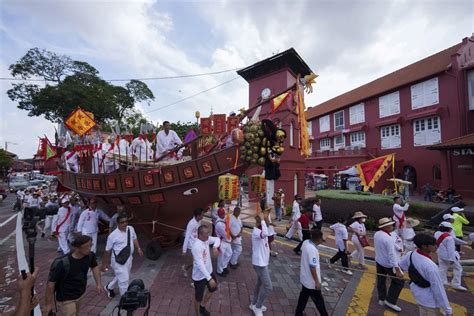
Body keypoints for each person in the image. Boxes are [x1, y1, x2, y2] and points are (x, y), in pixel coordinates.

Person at [43, 235, 103, 315]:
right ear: (77, 248)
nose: (90, 248)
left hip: (80, 294)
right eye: (87, 246)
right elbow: (51, 284)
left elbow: (94, 266)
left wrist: (98, 284)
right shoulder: (61, 263)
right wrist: (48, 305)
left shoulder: (90, 255)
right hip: (65, 299)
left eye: (90, 245)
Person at [399, 234, 452, 315]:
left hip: (417, 293)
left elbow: (401, 265)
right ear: (424, 246)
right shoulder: (430, 266)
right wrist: (448, 309)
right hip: (430, 301)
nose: (436, 246)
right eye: (433, 244)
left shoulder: (411, 254)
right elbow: (438, 289)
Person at [102, 212, 144, 297]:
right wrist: (105, 264)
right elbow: (107, 251)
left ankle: (108, 287)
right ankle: (125, 300)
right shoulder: (113, 236)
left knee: (122, 276)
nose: (125, 224)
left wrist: (138, 248)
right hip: (118, 261)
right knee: (124, 280)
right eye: (122, 222)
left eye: (126, 221)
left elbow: (134, 238)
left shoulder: (131, 229)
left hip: (128, 258)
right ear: (117, 224)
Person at [374, 217, 404, 312]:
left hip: (379, 261)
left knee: (381, 280)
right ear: (386, 227)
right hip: (388, 264)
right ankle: (390, 301)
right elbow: (391, 255)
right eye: (391, 225)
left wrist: (397, 247)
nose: (392, 226)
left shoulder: (377, 234)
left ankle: (381, 299)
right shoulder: (387, 238)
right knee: (399, 282)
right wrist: (398, 269)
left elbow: (388, 245)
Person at [295, 229, 328, 316]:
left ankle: (298, 312)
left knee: (304, 296)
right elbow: (312, 267)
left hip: (305, 277)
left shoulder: (306, 242)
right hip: (311, 281)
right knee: (319, 300)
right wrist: (317, 281)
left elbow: (303, 251)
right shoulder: (313, 250)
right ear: (319, 240)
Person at [191, 225, 220, 316]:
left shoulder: (206, 239)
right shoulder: (196, 246)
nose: (208, 235)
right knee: (198, 298)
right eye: (206, 233)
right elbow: (200, 264)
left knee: (212, 289)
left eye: (208, 233)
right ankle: (198, 314)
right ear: (200, 235)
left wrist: (215, 247)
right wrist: (209, 278)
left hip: (209, 272)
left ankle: (202, 307)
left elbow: (217, 239)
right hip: (199, 277)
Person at [250, 213, 272, 316]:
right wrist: (263, 220)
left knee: (259, 284)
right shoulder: (256, 232)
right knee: (268, 287)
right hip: (259, 263)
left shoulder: (262, 229)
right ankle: (257, 307)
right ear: (261, 222)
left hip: (263, 262)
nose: (268, 221)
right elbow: (265, 234)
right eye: (267, 219)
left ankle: (253, 303)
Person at [434, 222, 467, 291]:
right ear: (449, 229)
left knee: (442, 268)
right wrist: (452, 259)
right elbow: (451, 250)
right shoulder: (449, 238)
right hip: (449, 256)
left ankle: (443, 282)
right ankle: (456, 284)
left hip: (440, 254)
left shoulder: (437, 233)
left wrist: (465, 243)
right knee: (458, 269)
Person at [182, 207, 205, 276]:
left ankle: (185, 268)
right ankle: (195, 279)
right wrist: (184, 250)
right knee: (197, 263)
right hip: (191, 246)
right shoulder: (191, 224)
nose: (203, 216)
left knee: (197, 262)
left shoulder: (199, 221)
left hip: (198, 244)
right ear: (198, 216)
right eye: (202, 215)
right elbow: (187, 236)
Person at [215, 208, 232, 276]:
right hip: (222, 241)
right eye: (221, 214)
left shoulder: (223, 219)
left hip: (226, 241)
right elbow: (224, 234)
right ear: (219, 214)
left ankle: (224, 266)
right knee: (221, 257)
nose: (223, 215)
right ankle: (219, 271)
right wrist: (230, 240)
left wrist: (228, 213)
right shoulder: (219, 224)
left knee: (229, 254)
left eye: (223, 214)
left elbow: (228, 222)